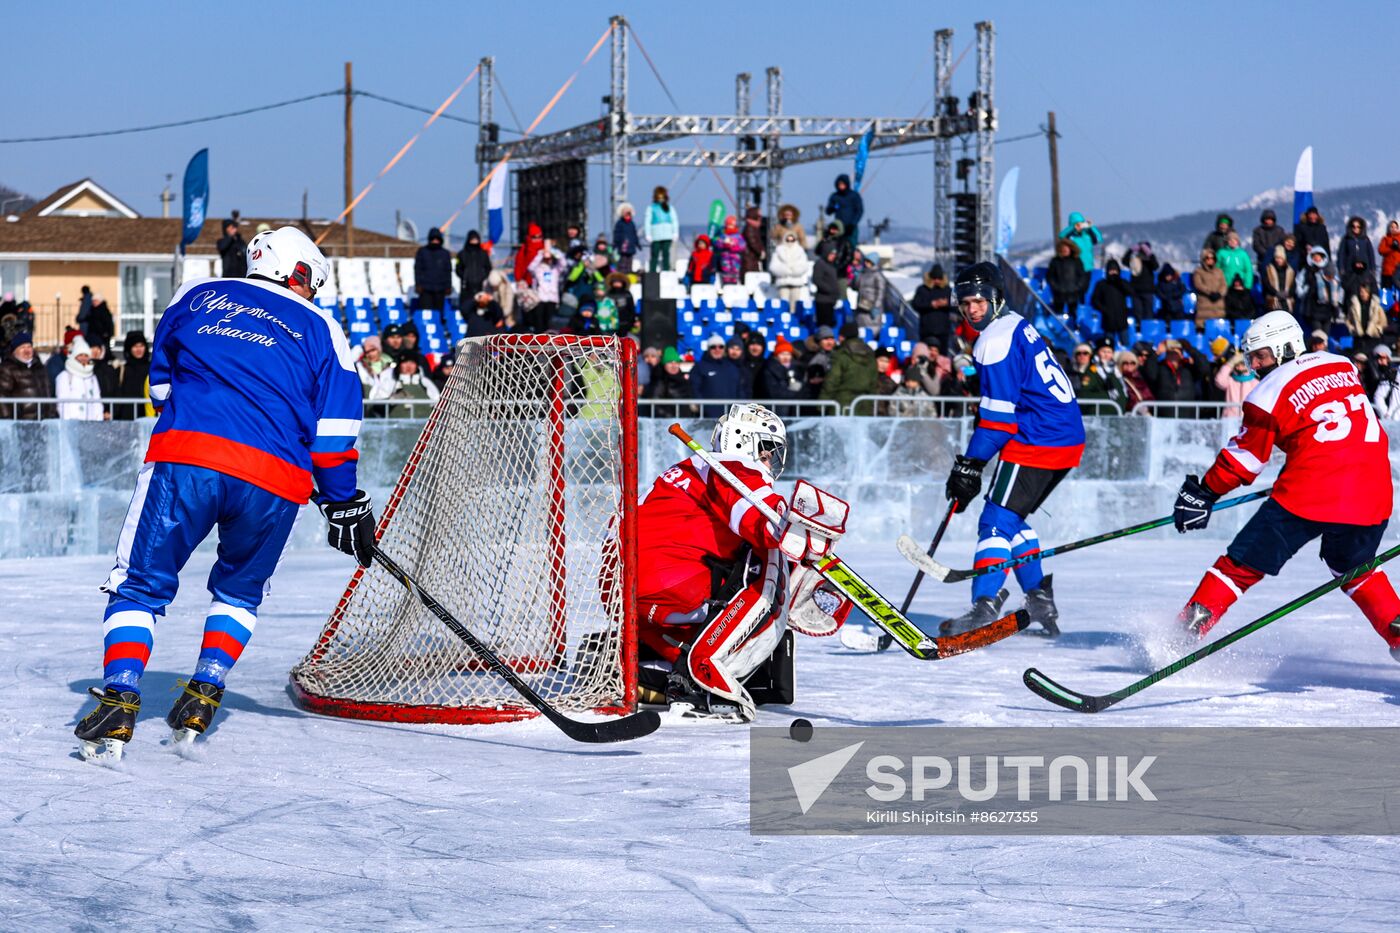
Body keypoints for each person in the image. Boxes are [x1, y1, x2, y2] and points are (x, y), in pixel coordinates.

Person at [72, 226, 373, 761]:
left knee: (140, 584)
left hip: (187, 459)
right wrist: (342, 500)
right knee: (238, 590)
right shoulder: (325, 329)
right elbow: (333, 435)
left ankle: (119, 698)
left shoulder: (195, 294)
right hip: (275, 481)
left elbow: (160, 387)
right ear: (301, 273)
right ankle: (203, 692)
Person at [1171, 311, 1400, 660]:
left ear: (1286, 347)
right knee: (1352, 565)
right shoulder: (1340, 364)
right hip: (1373, 491)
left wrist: (1205, 492)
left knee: (1239, 566)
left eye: (1261, 356)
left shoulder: (1267, 392)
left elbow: (1246, 459)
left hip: (1310, 492)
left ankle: (1177, 640)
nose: (1256, 366)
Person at [634, 403, 852, 720]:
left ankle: (663, 668)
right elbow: (760, 520)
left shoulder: (691, 468)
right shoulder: (731, 466)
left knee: (749, 556)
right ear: (743, 441)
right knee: (767, 555)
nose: (768, 460)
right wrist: (794, 534)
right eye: (765, 452)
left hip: (629, 589)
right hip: (669, 580)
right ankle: (704, 678)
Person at [941, 262, 1084, 637]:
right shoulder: (1017, 323)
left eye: (979, 301)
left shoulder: (993, 340)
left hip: (1039, 439)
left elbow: (999, 420)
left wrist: (970, 466)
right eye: (965, 303)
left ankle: (984, 605)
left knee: (994, 522)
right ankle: (1039, 599)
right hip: (1063, 437)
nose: (972, 309)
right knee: (1013, 519)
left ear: (996, 298)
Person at [820, 322, 878, 412]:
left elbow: (832, 381)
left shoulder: (841, 354)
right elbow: (874, 383)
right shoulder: (870, 354)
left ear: (843, 336)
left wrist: (822, 405)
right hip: (864, 405)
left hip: (842, 406)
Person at [689, 334, 749, 416]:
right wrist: (703, 409)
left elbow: (740, 390)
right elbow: (694, 389)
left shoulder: (732, 367)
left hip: (730, 417)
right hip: (707, 418)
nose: (717, 349)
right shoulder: (700, 367)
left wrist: (742, 408)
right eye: (713, 347)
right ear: (708, 349)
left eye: (720, 347)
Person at [0, 331, 54, 420]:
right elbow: (2, 395)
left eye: (29, 346)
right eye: (22, 347)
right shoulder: (7, 368)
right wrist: (8, 419)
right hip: (21, 422)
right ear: (14, 351)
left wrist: (52, 414)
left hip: (43, 420)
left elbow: (48, 391)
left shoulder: (39, 367)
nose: (27, 350)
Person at [55, 335, 103, 421]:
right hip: (72, 422)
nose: (83, 358)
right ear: (74, 356)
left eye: (86, 355)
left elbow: (97, 401)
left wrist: (98, 421)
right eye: (80, 355)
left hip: (91, 422)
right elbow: (62, 403)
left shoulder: (92, 377)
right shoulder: (65, 376)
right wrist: (67, 423)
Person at [1296, 246, 1341, 336]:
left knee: (1326, 334)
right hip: (1313, 307)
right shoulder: (1307, 270)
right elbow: (1299, 283)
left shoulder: (1328, 268)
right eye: (1314, 256)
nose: (1317, 258)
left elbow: (1336, 286)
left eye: (1319, 256)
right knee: (1317, 334)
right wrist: (1304, 292)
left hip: (1327, 309)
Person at [911, 264, 955, 353]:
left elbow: (957, 306)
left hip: (943, 330)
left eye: (939, 279)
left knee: (942, 354)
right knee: (925, 352)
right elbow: (915, 304)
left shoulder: (947, 290)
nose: (937, 281)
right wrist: (931, 304)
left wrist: (946, 303)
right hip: (927, 330)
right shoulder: (922, 289)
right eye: (934, 278)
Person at [1090, 258, 1134, 346]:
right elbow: (1094, 300)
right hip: (1108, 321)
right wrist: (1104, 310)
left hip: (1122, 320)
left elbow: (1131, 292)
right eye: (1111, 270)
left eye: (1115, 270)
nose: (1113, 272)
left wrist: (1118, 281)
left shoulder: (1122, 283)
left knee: (1126, 344)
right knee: (1109, 345)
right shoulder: (1102, 284)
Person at [641, 346, 693, 419]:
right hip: (668, 424)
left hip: (685, 421)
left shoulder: (683, 380)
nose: (674, 366)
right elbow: (656, 405)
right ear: (664, 365)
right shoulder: (660, 381)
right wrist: (670, 419)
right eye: (670, 362)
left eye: (676, 362)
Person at [526, 242, 565, 333]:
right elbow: (530, 268)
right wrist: (541, 254)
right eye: (546, 258)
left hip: (552, 299)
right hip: (540, 299)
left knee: (550, 323)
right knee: (539, 323)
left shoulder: (555, 269)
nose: (548, 260)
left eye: (550, 258)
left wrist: (553, 251)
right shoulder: (538, 269)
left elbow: (563, 263)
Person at [769, 232, 812, 313]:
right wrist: (785, 270)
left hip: (796, 282)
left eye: (792, 240)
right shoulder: (779, 250)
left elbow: (804, 266)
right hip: (783, 282)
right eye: (788, 240)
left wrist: (794, 271)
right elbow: (773, 266)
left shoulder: (800, 250)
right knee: (783, 305)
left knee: (795, 306)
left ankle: (793, 321)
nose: (790, 242)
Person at [113, 331, 151, 420]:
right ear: (129, 348)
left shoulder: (153, 368)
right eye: (135, 346)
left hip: (148, 418)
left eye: (141, 345)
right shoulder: (122, 369)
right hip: (127, 419)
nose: (139, 349)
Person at [1339, 216, 1377, 305]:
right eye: (1353, 226)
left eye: (1358, 226)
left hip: (1364, 270)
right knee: (1350, 292)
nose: (1356, 228)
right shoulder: (1346, 239)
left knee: (1364, 291)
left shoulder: (1365, 240)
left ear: (1361, 228)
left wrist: (1372, 269)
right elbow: (1341, 255)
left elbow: (1371, 254)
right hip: (1350, 271)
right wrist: (1341, 269)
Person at [1046, 239, 1087, 322]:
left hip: (1073, 295)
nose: (1065, 250)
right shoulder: (1055, 261)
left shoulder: (1077, 261)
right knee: (1058, 316)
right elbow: (1050, 277)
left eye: (1067, 248)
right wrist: (1057, 288)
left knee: (1073, 316)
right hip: (1059, 295)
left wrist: (1076, 288)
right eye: (1063, 248)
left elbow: (1082, 276)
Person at [414, 227, 452, 312]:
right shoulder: (422, 252)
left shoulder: (445, 254)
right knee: (426, 312)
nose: (435, 241)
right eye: (433, 239)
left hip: (440, 289)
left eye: (437, 239)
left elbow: (448, 271)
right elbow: (417, 269)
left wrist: (448, 286)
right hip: (425, 289)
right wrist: (418, 284)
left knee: (438, 313)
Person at [1213, 350, 1258, 418]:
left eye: (1243, 364)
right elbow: (1219, 380)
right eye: (1236, 365)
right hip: (1230, 419)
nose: (1239, 367)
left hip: (1248, 419)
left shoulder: (1255, 382)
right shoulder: (1231, 380)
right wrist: (1230, 363)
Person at [644, 186, 679, 273]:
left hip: (667, 234)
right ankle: (652, 271)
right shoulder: (651, 208)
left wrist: (675, 232)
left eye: (662, 197)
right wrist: (648, 234)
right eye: (659, 197)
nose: (661, 199)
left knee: (666, 253)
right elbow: (647, 221)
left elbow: (674, 220)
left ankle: (666, 270)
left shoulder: (669, 208)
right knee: (654, 253)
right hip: (655, 235)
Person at [455, 230, 493, 309]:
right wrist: (465, 276)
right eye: (472, 239)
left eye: (476, 239)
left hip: (480, 285)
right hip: (466, 286)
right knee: (466, 306)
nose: (474, 241)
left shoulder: (483, 254)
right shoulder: (461, 254)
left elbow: (488, 268)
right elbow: (458, 269)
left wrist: (482, 277)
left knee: (481, 307)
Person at [825, 174, 863, 247]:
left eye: (843, 184)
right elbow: (828, 211)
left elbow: (859, 211)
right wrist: (833, 207)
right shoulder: (835, 196)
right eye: (839, 184)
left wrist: (853, 223)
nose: (841, 186)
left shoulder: (854, 196)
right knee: (838, 246)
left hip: (851, 227)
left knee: (850, 246)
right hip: (838, 227)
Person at [812, 247, 844, 329]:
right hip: (823, 300)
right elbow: (817, 280)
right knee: (823, 325)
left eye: (834, 254)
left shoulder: (833, 265)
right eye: (831, 254)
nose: (833, 256)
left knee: (831, 324)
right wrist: (829, 289)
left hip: (831, 300)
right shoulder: (820, 264)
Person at [1193, 248, 1227, 323]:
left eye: (1212, 258)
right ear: (1203, 259)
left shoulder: (1219, 271)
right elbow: (1198, 284)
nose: (1210, 260)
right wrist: (1210, 293)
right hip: (1204, 303)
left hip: (1218, 304)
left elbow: (1224, 285)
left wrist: (1219, 293)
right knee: (1203, 326)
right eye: (1207, 258)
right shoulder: (1198, 271)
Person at [1262, 245, 1296, 313]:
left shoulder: (1290, 271)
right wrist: (1276, 293)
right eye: (1277, 258)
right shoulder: (1269, 269)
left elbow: (1293, 284)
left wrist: (1288, 294)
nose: (1278, 260)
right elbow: (1266, 283)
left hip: (1286, 301)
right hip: (1273, 301)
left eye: (1280, 258)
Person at [713, 217, 746, 286]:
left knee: (735, 273)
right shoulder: (723, 236)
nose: (730, 227)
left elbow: (743, 246)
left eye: (732, 225)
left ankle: (734, 286)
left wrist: (733, 246)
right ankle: (726, 285)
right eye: (729, 225)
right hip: (725, 258)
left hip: (735, 259)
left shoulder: (738, 236)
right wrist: (724, 244)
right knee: (726, 274)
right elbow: (717, 243)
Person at [1372, 345, 1400, 418]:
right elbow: (1378, 396)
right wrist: (1386, 415)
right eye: (1378, 358)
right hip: (1395, 420)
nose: (1379, 361)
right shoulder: (1393, 374)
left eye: (1382, 358)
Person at [612, 204, 640, 274]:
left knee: (629, 262)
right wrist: (615, 243)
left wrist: (637, 243)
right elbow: (617, 234)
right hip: (623, 247)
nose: (627, 216)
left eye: (628, 215)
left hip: (631, 247)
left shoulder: (632, 224)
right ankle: (622, 274)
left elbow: (634, 235)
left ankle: (628, 274)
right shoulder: (619, 223)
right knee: (623, 262)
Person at [1379, 220, 1400, 291]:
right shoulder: (1385, 238)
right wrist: (1391, 248)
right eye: (1392, 227)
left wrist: (1398, 247)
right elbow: (1381, 250)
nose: (1393, 229)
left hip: (1398, 269)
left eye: (1395, 227)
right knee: (1387, 291)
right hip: (1387, 270)